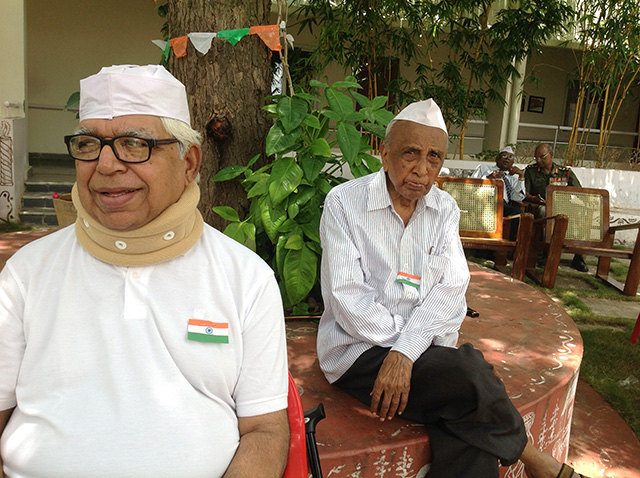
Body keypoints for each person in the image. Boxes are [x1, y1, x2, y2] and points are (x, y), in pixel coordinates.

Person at [0, 65, 289, 478]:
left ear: (188, 162)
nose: (105, 165)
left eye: (134, 144)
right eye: (88, 143)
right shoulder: (26, 274)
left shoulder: (245, 278)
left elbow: (264, 429)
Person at [317, 99, 587, 478]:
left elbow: (451, 289)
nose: (422, 170)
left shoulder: (443, 208)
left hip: (424, 354)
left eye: (434, 157)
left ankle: (536, 462)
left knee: (460, 407)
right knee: (470, 373)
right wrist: (407, 349)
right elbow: (349, 300)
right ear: (384, 151)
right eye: (411, 153)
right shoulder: (344, 203)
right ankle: (536, 460)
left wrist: (408, 353)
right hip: (359, 352)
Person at [525, 143, 588, 272]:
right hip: (543, 206)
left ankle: (578, 256)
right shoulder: (531, 171)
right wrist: (533, 199)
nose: (538, 160)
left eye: (542, 157)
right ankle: (546, 254)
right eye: (536, 157)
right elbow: (524, 193)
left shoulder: (565, 172)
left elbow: (579, 192)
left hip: (564, 205)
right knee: (544, 213)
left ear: (551, 155)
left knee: (581, 213)